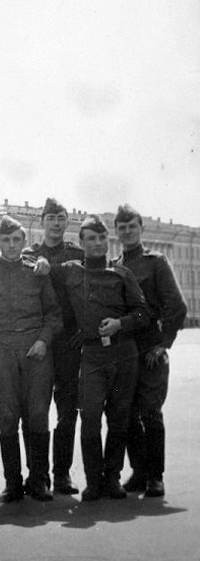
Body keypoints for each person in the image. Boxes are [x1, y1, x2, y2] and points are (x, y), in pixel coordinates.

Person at [54, 214, 150, 501]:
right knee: (91, 417)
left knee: (119, 418)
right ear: (80, 243)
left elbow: (143, 313)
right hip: (93, 356)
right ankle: (93, 481)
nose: (98, 243)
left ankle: (112, 478)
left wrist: (121, 323)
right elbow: (32, 267)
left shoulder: (122, 274)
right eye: (91, 239)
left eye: (102, 238)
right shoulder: (69, 271)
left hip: (123, 353)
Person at [0, 215, 63, 502]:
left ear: (24, 242)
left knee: (38, 415)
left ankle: (39, 481)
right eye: (5, 240)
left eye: (16, 240)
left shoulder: (37, 271)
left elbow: (53, 314)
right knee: (7, 418)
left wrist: (43, 340)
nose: (11, 245)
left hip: (35, 349)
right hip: (1, 349)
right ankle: (12, 483)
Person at [113, 204, 187, 498]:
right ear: (116, 231)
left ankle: (156, 476)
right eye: (122, 227)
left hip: (150, 351)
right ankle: (139, 472)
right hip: (124, 351)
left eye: (132, 226)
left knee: (150, 412)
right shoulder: (114, 265)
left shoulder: (156, 263)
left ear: (141, 228)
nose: (127, 231)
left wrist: (163, 344)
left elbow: (177, 307)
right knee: (127, 413)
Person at [24, 198, 84, 495]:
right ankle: (38, 476)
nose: (57, 223)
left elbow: (90, 294)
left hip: (69, 341)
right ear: (43, 221)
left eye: (62, 218)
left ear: (67, 222)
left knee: (67, 409)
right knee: (35, 408)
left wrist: (84, 330)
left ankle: (61, 475)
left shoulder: (77, 254)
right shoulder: (28, 254)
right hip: (40, 340)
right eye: (51, 218)